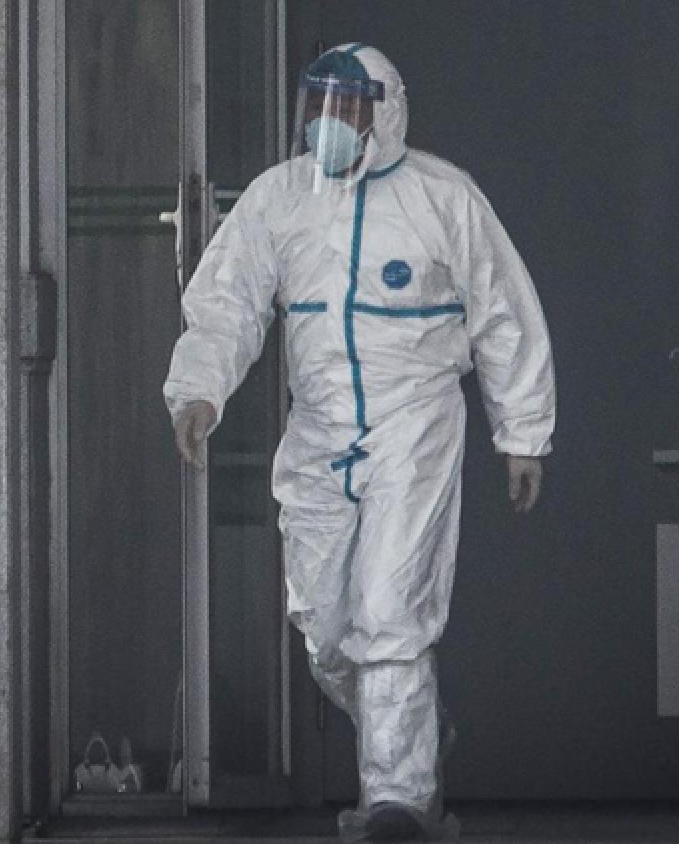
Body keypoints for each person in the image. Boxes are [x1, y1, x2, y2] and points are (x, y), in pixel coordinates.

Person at [163, 43, 555, 842]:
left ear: (387, 113)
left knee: (391, 609)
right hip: (318, 430)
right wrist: (199, 390)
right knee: (325, 624)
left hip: (415, 426)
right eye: (318, 107)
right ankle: (413, 731)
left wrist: (523, 431)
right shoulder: (280, 199)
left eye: (346, 108)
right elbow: (228, 303)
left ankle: (397, 802)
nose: (328, 124)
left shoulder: (443, 197)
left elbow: (502, 313)